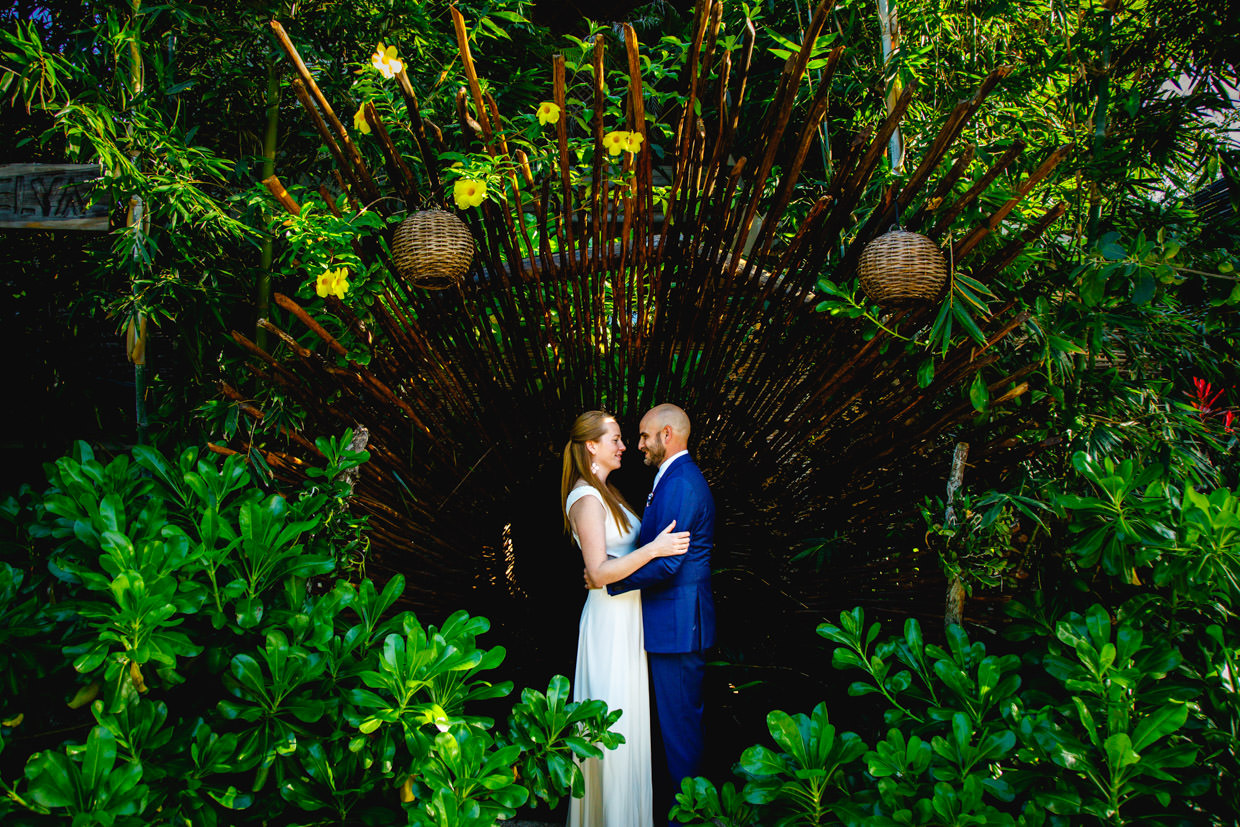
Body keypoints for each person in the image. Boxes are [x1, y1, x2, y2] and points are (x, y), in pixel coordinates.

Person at [561, 410, 691, 827]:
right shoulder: (585, 497)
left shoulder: (607, 492)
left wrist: (629, 560)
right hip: (609, 626)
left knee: (629, 729)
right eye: (614, 439)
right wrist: (653, 550)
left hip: (629, 619)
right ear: (590, 446)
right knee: (611, 724)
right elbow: (598, 571)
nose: (623, 446)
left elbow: (607, 565)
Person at [607, 403, 716, 821]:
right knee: (677, 726)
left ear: (667, 434)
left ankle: (689, 816)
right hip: (672, 622)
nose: (638, 445)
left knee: (681, 729)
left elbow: (669, 561)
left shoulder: (683, 484)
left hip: (678, 624)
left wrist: (609, 581)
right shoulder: (673, 478)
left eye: (644, 436)